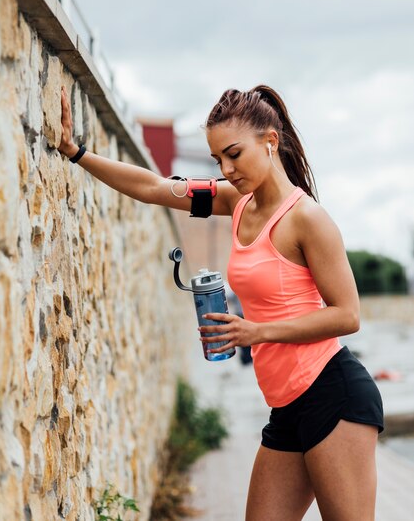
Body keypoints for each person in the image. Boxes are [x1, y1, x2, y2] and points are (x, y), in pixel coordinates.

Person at [58, 84, 384, 521]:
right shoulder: (235, 203)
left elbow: (348, 315)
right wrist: (76, 152)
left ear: (271, 141)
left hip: (335, 396)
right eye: (218, 160)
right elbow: (156, 187)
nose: (227, 169)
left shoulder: (307, 219)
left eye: (234, 154)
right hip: (286, 407)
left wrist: (255, 332)